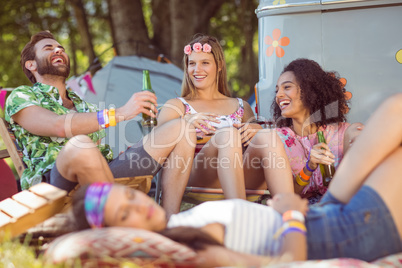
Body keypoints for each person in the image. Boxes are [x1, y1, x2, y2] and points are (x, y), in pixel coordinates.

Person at [71, 93, 402, 266]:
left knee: (393, 110)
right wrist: (290, 214)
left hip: (323, 211)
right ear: (119, 236)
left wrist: (255, 129)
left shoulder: (182, 228)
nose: (139, 207)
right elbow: (288, 264)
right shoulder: (192, 253)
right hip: (337, 233)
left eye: (130, 198)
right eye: (124, 216)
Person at [5, 31, 196, 217]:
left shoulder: (85, 105)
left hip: (103, 173)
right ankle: (118, 226)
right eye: (49, 48)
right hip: (55, 181)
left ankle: (171, 220)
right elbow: (59, 125)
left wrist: (124, 155)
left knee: (182, 128)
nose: (58, 50)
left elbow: (102, 152)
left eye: (61, 48)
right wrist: (120, 113)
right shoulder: (22, 96)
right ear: (31, 64)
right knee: (81, 145)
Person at [157, 34, 294, 200]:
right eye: (192, 63)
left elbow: (254, 144)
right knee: (228, 134)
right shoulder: (177, 105)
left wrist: (256, 129)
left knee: (268, 136)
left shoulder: (241, 106)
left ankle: (289, 211)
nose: (197, 70)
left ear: (219, 65)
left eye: (205, 63)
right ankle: (238, 211)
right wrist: (183, 123)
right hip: (195, 177)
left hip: (238, 175)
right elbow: (158, 147)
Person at [268, 58, 363, 203]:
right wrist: (309, 167)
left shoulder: (343, 133)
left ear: (309, 90)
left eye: (286, 87)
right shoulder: (278, 140)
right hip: (302, 210)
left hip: (342, 206)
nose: (278, 95)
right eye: (277, 90)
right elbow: (288, 195)